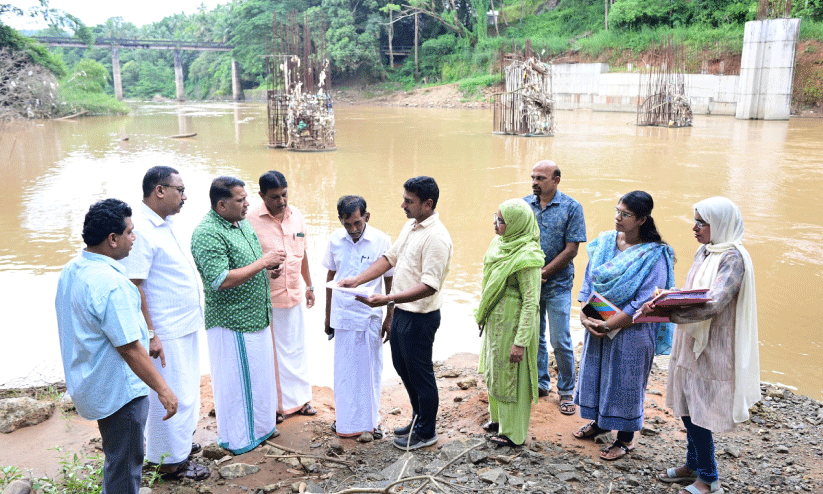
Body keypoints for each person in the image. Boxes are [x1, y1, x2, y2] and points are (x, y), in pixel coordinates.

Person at [55, 199, 178, 494]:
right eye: (130, 232)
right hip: (120, 392)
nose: (134, 238)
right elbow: (130, 349)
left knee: (117, 459)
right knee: (124, 467)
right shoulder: (111, 283)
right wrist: (163, 389)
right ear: (112, 239)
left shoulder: (73, 269)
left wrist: (148, 335)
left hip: (91, 380)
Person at [648, 197, 760, 494]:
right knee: (687, 404)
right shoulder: (706, 250)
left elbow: (714, 303)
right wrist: (669, 297)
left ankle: (709, 479)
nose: (695, 227)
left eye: (702, 222)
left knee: (700, 411)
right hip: (692, 336)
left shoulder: (733, 258)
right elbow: (695, 291)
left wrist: (670, 313)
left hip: (714, 343)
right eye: (695, 220)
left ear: (720, 224)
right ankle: (692, 465)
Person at [338, 176, 453, 451]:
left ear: (428, 204)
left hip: (421, 317)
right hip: (402, 311)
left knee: (420, 373)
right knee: (404, 368)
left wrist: (386, 299)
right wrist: (358, 280)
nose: (403, 205)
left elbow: (429, 286)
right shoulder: (411, 226)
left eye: (409, 201)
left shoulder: (436, 237)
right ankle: (418, 419)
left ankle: (427, 431)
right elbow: (389, 258)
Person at [120, 166, 209, 481]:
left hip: (184, 323)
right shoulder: (140, 229)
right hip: (165, 330)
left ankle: (178, 446)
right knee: (168, 394)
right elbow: (135, 284)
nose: (184, 197)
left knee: (186, 389)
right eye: (180, 190)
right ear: (160, 190)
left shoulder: (166, 223)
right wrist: (151, 334)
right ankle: (169, 463)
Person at [573, 191, 675, 461]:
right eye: (617, 211)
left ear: (641, 219)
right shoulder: (606, 241)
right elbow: (589, 281)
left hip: (633, 329)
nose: (618, 217)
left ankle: (625, 438)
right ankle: (600, 423)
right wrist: (584, 315)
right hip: (598, 319)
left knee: (625, 382)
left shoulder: (654, 255)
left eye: (625, 214)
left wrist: (609, 326)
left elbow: (644, 301)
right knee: (597, 374)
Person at [190, 176, 284, 454]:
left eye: (246, 199)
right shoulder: (207, 233)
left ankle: (262, 428)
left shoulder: (240, 223)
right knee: (237, 384)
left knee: (260, 378)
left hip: (256, 316)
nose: (247, 204)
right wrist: (263, 262)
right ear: (222, 205)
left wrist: (267, 269)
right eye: (241, 200)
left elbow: (249, 265)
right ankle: (240, 439)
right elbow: (219, 279)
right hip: (233, 321)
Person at [247, 170, 317, 422]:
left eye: (284, 194)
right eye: (275, 197)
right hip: (267, 299)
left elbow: (302, 254)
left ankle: (301, 400)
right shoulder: (249, 220)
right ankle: (277, 406)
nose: (282, 201)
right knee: (273, 354)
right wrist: (264, 271)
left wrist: (310, 286)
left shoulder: (296, 216)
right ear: (262, 195)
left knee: (297, 349)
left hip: (294, 295)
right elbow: (246, 262)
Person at [322, 195, 394, 441]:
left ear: (367, 217)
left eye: (357, 223)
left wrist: (390, 316)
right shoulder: (335, 239)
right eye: (347, 224)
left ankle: (370, 424)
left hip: (369, 315)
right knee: (344, 372)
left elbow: (390, 280)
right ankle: (344, 421)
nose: (353, 229)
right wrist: (327, 315)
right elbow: (330, 277)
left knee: (369, 371)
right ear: (340, 220)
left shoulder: (381, 240)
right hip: (342, 315)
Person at [476, 199, 543, 447]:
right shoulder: (500, 244)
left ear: (516, 224)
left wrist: (520, 342)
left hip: (514, 326)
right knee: (496, 372)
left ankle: (513, 433)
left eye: (501, 221)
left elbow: (531, 302)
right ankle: (498, 420)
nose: (495, 223)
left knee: (513, 378)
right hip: (496, 323)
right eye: (496, 217)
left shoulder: (528, 256)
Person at [524, 160, 586, 415]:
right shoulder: (524, 205)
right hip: (530, 283)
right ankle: (541, 383)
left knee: (560, 339)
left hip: (558, 283)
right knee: (534, 336)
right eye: (533, 177)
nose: (534, 182)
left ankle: (567, 390)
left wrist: (544, 273)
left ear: (556, 180)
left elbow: (571, 250)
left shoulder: (572, 207)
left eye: (540, 178)